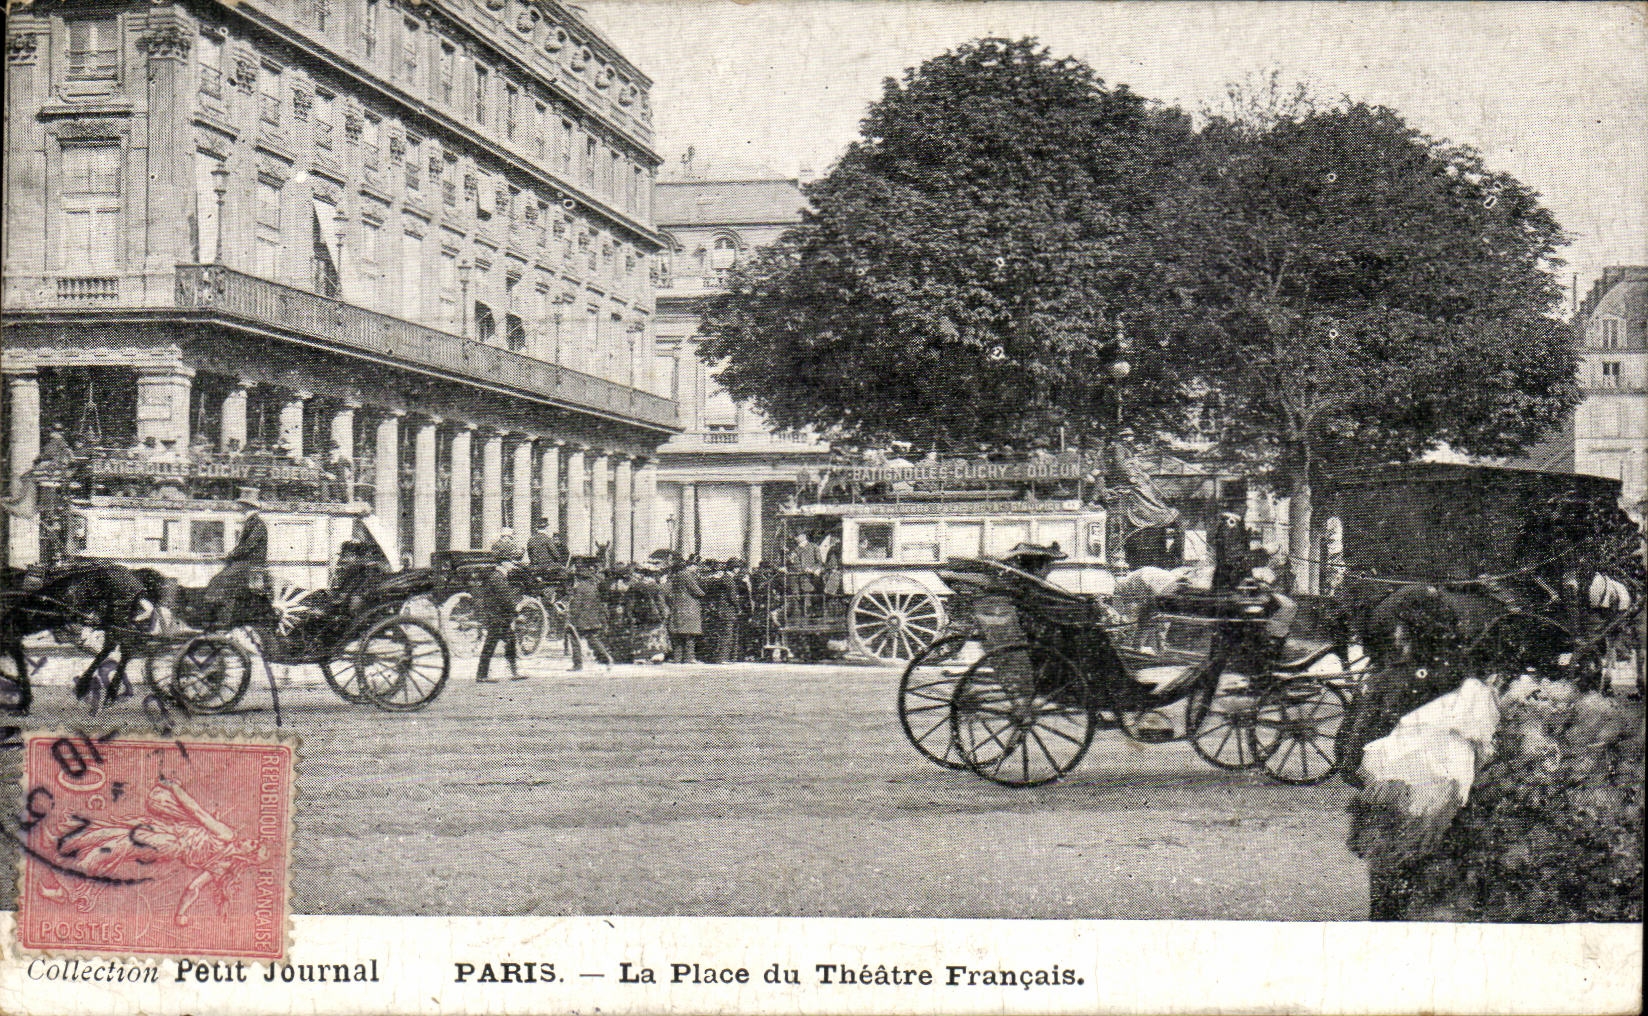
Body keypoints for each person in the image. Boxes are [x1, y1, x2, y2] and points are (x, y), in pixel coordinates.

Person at [201, 490, 268, 626]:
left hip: (250, 564)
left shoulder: (257, 524)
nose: (240, 508)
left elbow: (249, 545)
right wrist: (230, 556)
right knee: (218, 580)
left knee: (221, 581)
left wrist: (231, 555)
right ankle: (220, 617)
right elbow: (244, 546)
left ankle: (224, 620)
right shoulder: (251, 523)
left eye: (242, 505)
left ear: (248, 507)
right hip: (244, 562)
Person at [475, 557, 525, 683]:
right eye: (511, 563)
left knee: (510, 641)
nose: (512, 566)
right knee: (490, 645)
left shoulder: (497, 576)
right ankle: (482, 675)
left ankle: (513, 672)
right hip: (497, 618)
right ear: (504, 564)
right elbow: (505, 599)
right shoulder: (498, 578)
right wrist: (516, 612)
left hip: (498, 617)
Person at [566, 561, 613, 670]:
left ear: (579, 578)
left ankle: (577, 664)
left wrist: (570, 618)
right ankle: (607, 658)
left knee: (574, 640)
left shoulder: (579, 589)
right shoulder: (593, 588)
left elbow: (576, 606)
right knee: (593, 639)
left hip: (581, 620)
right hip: (592, 619)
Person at [665, 560, 705, 664]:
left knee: (678, 634)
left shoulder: (674, 577)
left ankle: (677, 658)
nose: (696, 568)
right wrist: (703, 593)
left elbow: (667, 591)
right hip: (689, 608)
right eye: (694, 566)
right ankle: (689, 658)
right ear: (687, 567)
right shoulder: (687, 575)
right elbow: (697, 591)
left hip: (677, 607)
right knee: (690, 634)